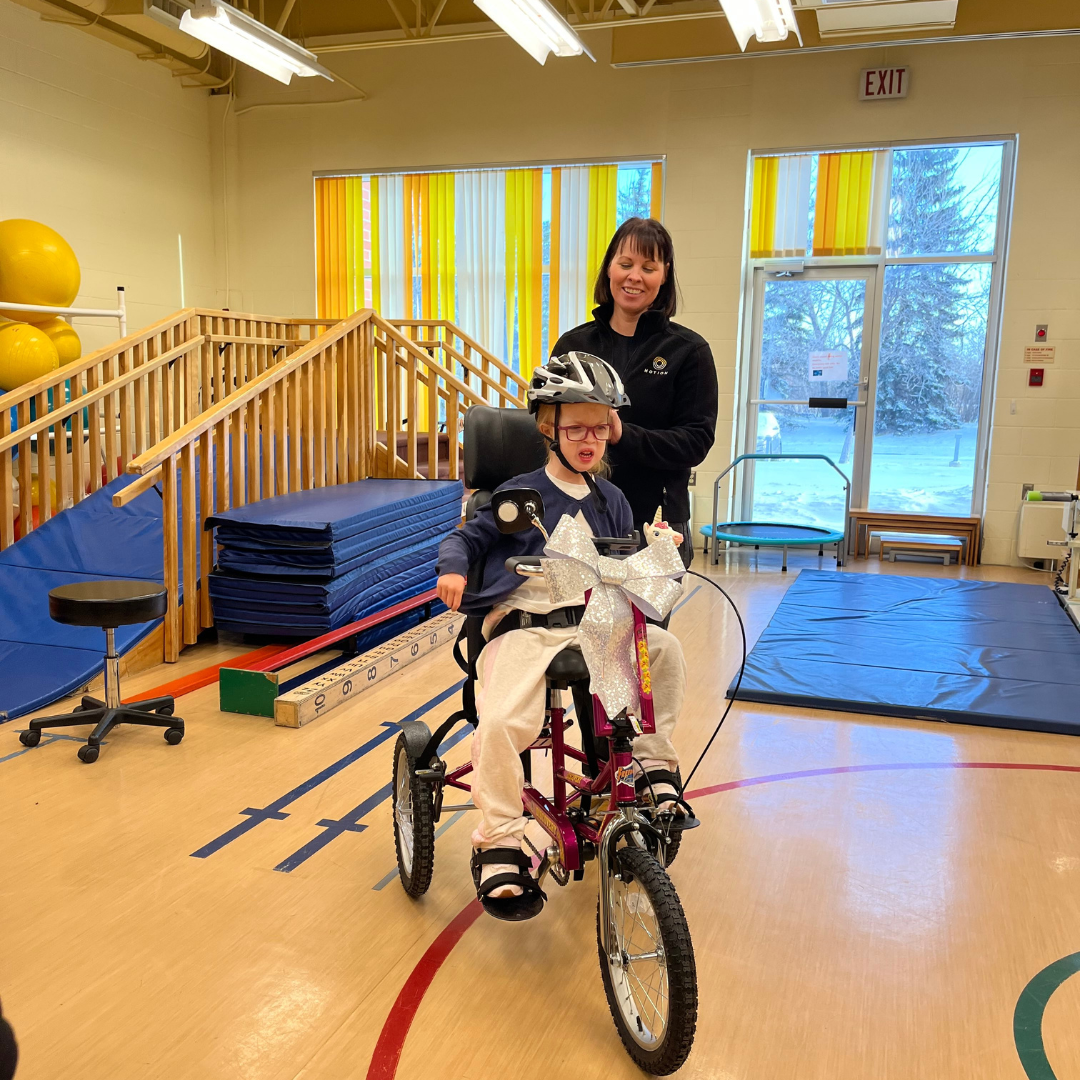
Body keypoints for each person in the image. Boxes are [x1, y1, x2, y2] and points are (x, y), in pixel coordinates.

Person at [435, 353, 689, 922]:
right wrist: (451, 569)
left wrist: (656, 547)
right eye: (576, 427)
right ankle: (501, 836)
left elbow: (622, 562)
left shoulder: (612, 499)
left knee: (665, 653)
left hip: (593, 619)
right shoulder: (517, 495)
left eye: (600, 427)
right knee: (501, 722)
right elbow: (467, 541)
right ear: (547, 427)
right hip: (527, 624)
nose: (589, 439)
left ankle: (650, 767)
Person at [551, 217, 719, 567]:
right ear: (609, 268)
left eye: (648, 267)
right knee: (572, 622)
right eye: (625, 264)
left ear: (664, 274)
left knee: (646, 625)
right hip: (579, 516)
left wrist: (624, 434)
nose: (634, 276)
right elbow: (546, 421)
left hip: (656, 524)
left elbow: (696, 440)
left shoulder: (689, 350)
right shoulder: (573, 345)